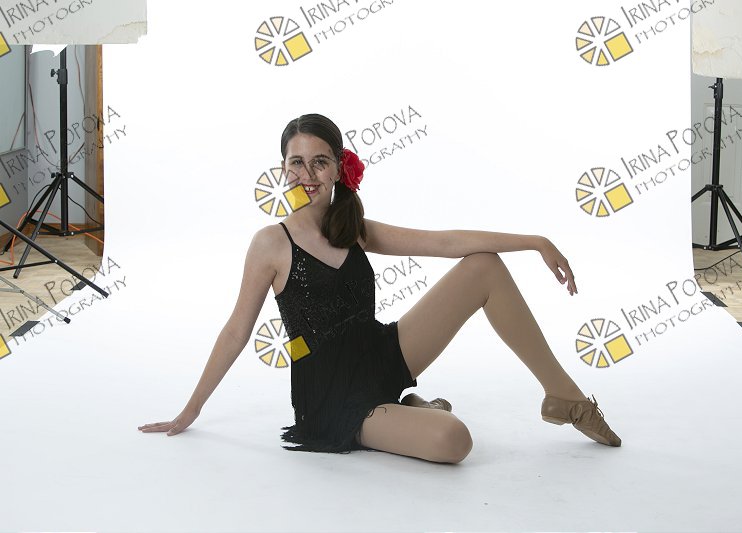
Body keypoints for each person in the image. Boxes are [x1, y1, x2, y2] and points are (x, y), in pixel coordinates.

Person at [138, 113, 621, 463]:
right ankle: (412, 411)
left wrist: (535, 242)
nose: (307, 175)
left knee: (484, 267)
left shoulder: (354, 228)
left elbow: (445, 242)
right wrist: (190, 410)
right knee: (454, 441)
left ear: (338, 167)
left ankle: (564, 397)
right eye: (296, 163)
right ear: (283, 168)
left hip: (381, 354)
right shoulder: (271, 243)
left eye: (319, 162)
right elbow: (235, 333)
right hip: (332, 394)